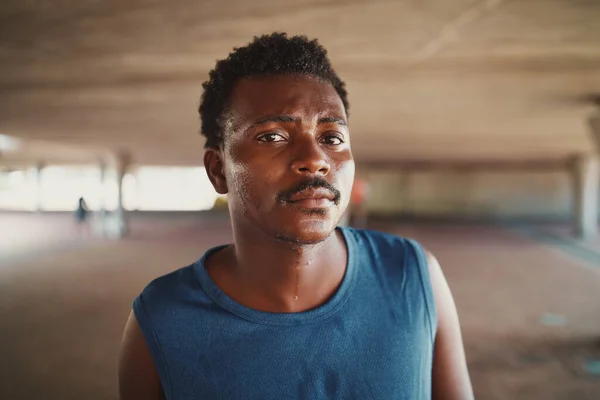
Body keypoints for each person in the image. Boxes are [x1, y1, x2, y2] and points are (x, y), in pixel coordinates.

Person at [118, 33, 473, 400]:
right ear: (218, 170)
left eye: (332, 137)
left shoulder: (413, 277)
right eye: (272, 136)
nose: (316, 158)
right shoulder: (161, 320)